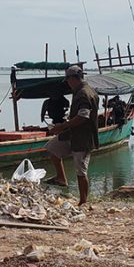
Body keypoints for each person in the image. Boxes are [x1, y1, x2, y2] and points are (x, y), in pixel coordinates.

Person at [44, 65, 99, 206]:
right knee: (51, 148)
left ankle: (83, 202)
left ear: (73, 79)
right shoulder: (79, 91)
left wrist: (62, 126)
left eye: (68, 80)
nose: (67, 84)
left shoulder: (83, 93)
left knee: (81, 171)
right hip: (72, 134)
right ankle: (61, 178)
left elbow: (83, 117)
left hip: (83, 137)